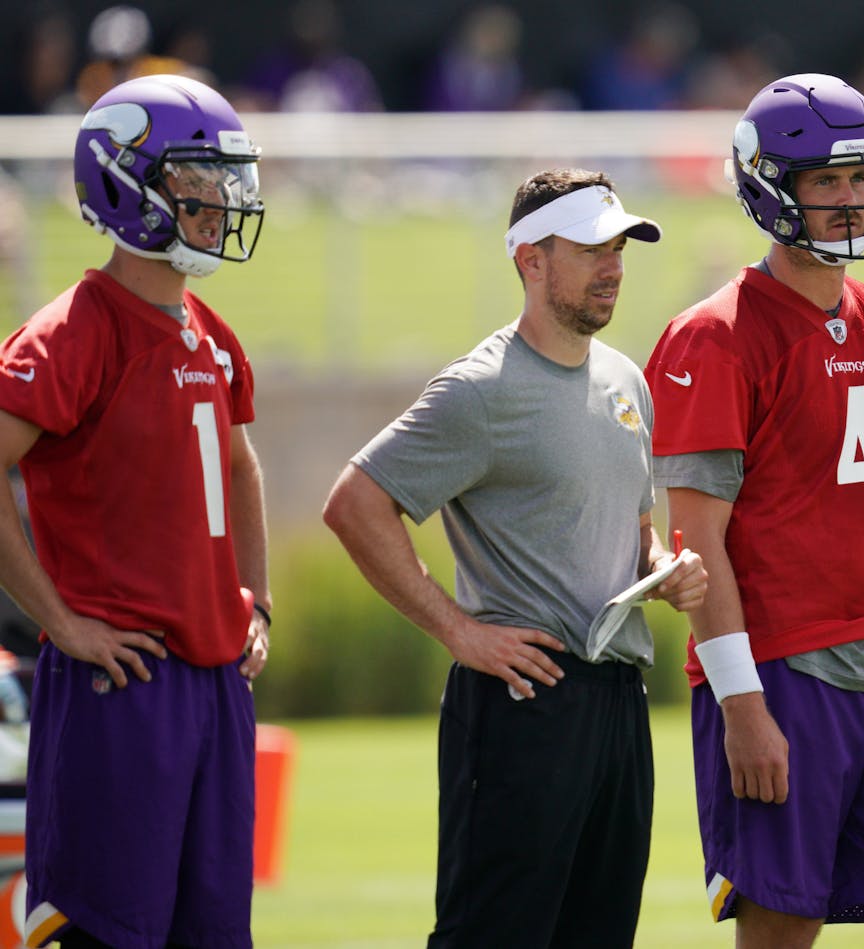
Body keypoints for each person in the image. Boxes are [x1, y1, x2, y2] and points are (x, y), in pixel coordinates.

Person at [643, 73, 864, 948]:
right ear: (770, 186)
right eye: (825, 181)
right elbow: (699, 544)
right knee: (781, 925)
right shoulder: (714, 336)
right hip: (781, 671)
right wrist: (741, 703)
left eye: (860, 179)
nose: (850, 201)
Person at [322, 167, 708, 949]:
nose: (614, 267)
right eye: (593, 248)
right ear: (531, 260)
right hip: (523, 703)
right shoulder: (480, 389)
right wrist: (460, 631)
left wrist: (667, 570)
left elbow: (637, 530)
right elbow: (355, 504)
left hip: (618, 706)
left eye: (621, 247)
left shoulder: (626, 380)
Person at [0, 74, 272, 947]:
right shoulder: (73, 332)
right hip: (123, 682)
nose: (221, 203)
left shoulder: (211, 331)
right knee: (106, 931)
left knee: (213, 932)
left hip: (215, 681)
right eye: (199, 181)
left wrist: (257, 601)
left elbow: (242, 467)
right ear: (128, 181)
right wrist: (63, 623)